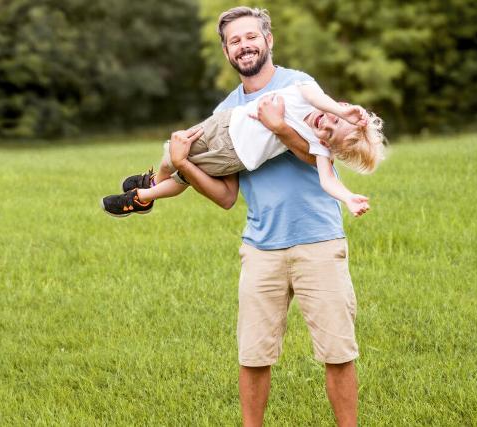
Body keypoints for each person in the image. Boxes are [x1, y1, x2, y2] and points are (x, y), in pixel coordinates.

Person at [161, 7, 370, 426]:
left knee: (337, 353)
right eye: (234, 41)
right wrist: (184, 165)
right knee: (254, 356)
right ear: (226, 51)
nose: (244, 45)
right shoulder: (226, 111)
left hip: (318, 241)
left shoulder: (299, 86)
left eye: (251, 37)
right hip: (261, 248)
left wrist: (280, 128)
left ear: (268, 40)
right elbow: (224, 196)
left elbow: (321, 159)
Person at [99, 81, 385, 217]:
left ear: (327, 144)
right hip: (223, 122)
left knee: (183, 175)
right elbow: (320, 100)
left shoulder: (316, 143)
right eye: (335, 119)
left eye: (330, 134)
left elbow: (328, 179)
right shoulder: (309, 93)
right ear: (344, 106)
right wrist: (343, 114)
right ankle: (151, 185)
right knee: (173, 149)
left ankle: (143, 196)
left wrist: (348, 198)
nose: (326, 124)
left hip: (232, 155)